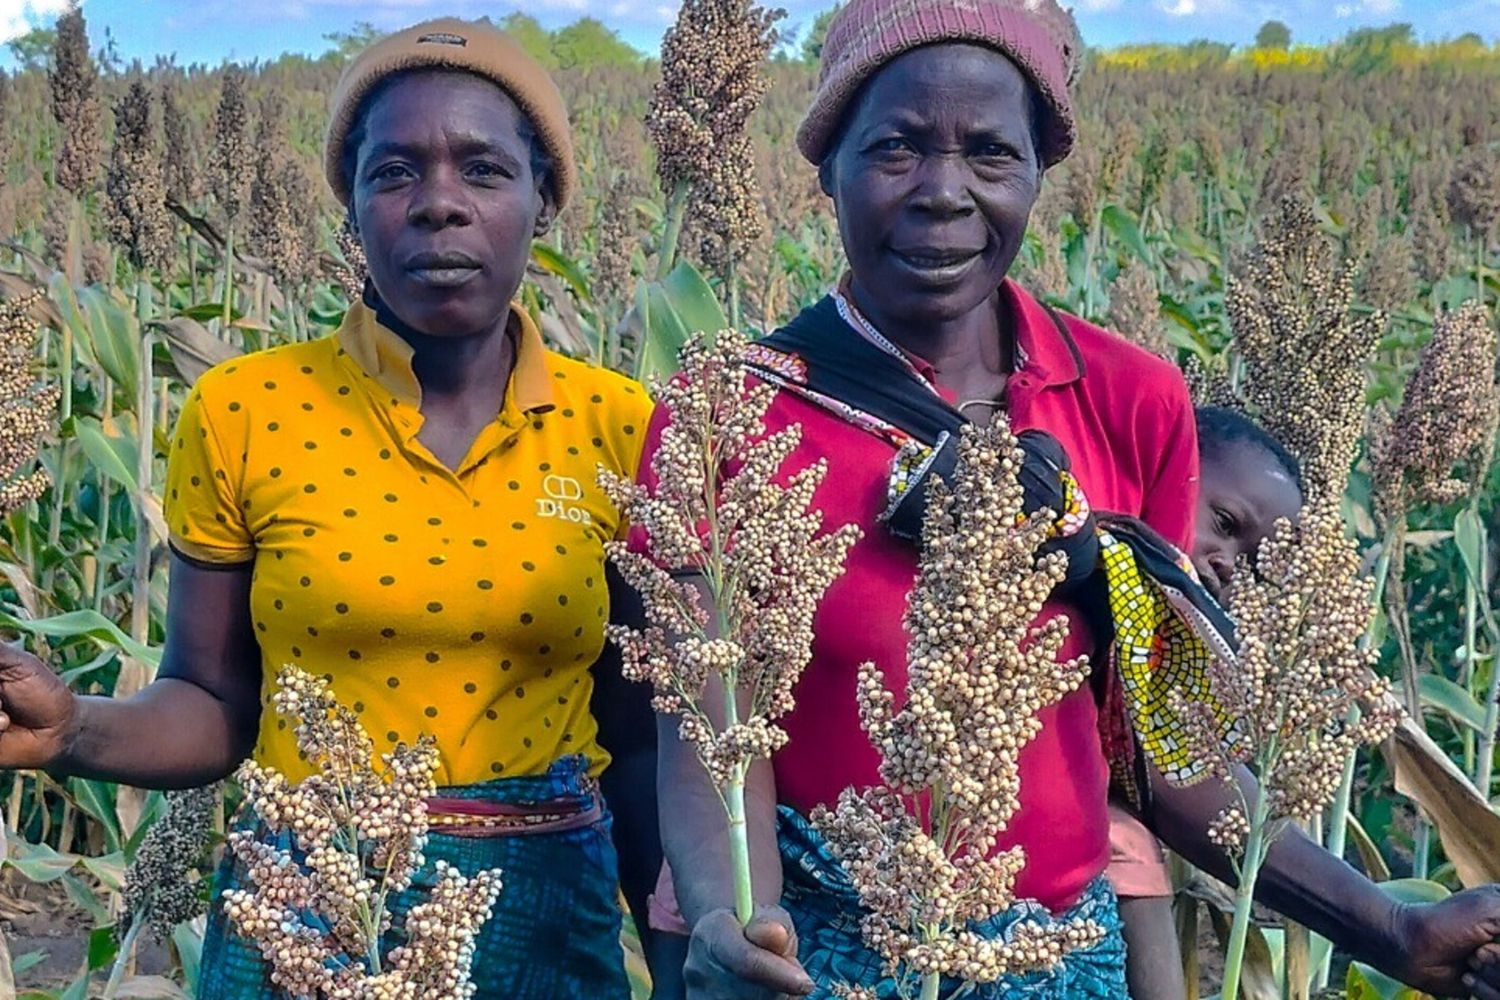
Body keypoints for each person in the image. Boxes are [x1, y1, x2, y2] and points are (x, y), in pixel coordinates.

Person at [637, 2, 1500, 999]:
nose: (944, 193)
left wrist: (1394, 927)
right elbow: (708, 725)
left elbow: (1173, 761)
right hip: (827, 951)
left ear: (1039, 172)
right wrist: (735, 920)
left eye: (991, 154)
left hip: (1059, 957)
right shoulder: (728, 410)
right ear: (828, 163)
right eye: (896, 148)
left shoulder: (1134, 400)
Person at [0, 19, 664, 998]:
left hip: (542, 912)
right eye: (394, 172)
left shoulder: (621, 425)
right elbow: (212, 705)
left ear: (543, 202)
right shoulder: (244, 409)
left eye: (483, 170)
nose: (439, 204)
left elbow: (644, 732)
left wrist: (686, 947)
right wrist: (69, 732)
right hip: (303, 901)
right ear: (350, 211)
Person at [1111, 405, 1305, 1000]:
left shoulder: (1181, 649)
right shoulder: (1097, 558)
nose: (1226, 562)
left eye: (1252, 566)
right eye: (1223, 522)